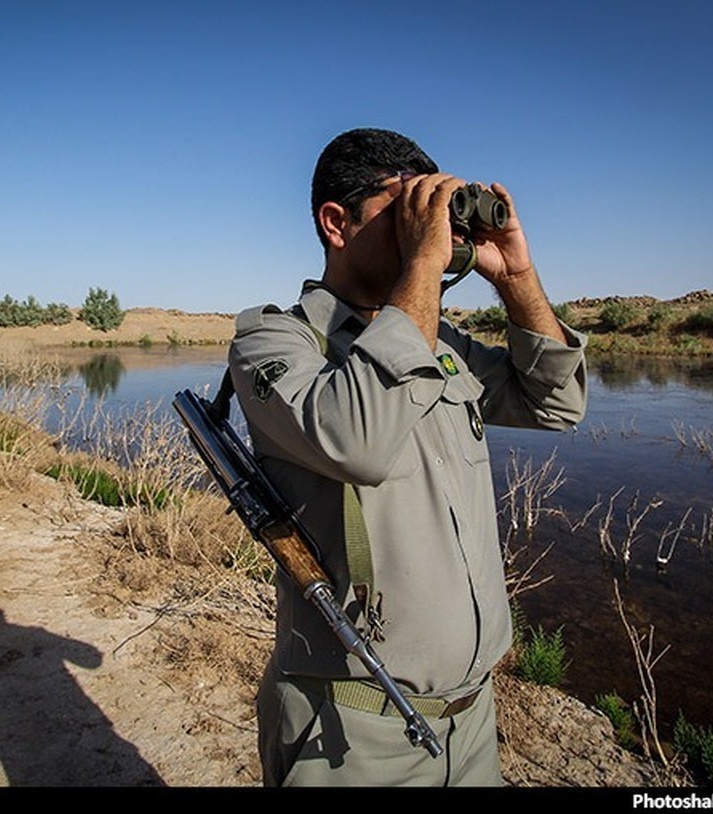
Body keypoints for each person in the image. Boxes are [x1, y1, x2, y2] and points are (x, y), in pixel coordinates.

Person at [227, 127, 588, 786]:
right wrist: (423, 265)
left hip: (473, 721)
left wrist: (517, 279)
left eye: (435, 211)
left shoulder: (441, 345)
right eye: (406, 211)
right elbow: (357, 438)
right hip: (353, 732)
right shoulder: (275, 340)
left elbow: (555, 404)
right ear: (336, 223)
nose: (429, 229)